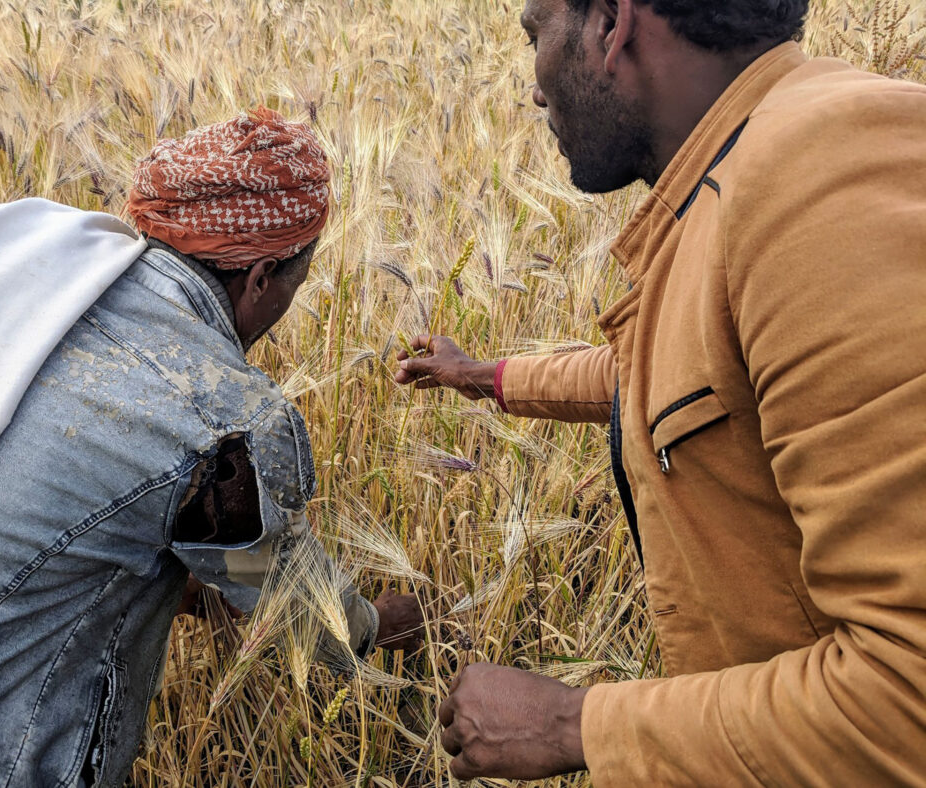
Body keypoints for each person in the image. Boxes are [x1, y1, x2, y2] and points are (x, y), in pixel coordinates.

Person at [0, 108, 422, 786]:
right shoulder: (219, 416)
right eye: (293, 286)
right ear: (263, 278)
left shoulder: (16, 281)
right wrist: (379, 625)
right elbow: (302, 616)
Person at [396, 0, 926, 783]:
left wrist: (577, 725)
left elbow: (907, 698)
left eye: (534, 32)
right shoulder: (748, 164)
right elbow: (685, 365)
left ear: (612, 23)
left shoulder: (820, 182)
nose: (534, 87)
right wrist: (482, 377)